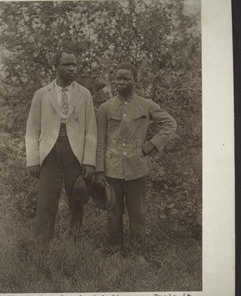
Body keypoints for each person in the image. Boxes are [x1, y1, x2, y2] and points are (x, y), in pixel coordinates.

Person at [95, 63, 177, 252]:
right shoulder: (105, 108)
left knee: (137, 213)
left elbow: (170, 124)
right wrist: (99, 170)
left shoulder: (146, 105)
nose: (121, 82)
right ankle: (115, 249)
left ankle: (136, 252)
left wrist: (151, 145)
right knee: (113, 211)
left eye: (126, 78)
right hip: (112, 168)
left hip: (137, 168)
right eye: (118, 78)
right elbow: (100, 141)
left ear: (135, 80)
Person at [25, 49, 97, 242]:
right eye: (66, 64)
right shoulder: (41, 94)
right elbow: (32, 129)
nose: (72, 69)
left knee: (77, 197)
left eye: (74, 65)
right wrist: (33, 160)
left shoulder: (84, 94)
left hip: (75, 152)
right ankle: (41, 245)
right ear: (55, 67)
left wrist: (89, 161)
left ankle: (75, 243)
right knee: (46, 200)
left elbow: (91, 131)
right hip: (50, 151)